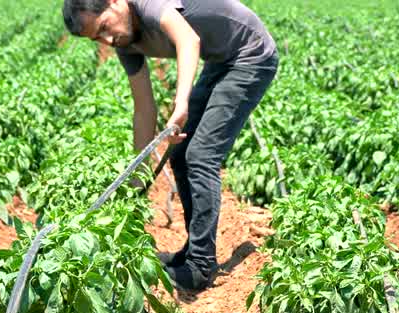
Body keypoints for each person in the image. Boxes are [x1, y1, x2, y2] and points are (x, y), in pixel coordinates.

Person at [62, 0, 278, 291]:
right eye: (97, 38)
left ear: (114, 1)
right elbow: (144, 108)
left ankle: (201, 265)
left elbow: (188, 39)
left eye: (104, 27)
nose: (108, 40)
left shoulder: (148, 4)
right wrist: (138, 178)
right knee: (178, 154)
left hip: (250, 54)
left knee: (202, 155)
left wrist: (181, 103)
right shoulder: (125, 43)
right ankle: (194, 250)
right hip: (222, 60)